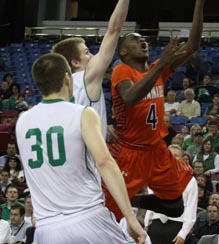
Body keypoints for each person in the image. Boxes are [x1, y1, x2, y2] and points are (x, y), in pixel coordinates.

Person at [104, 0, 219, 221]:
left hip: (156, 149)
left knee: (174, 206)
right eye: (137, 40)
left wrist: (199, 3)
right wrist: (161, 67)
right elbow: (130, 98)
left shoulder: (158, 67)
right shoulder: (122, 70)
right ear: (124, 51)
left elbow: (192, 46)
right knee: (106, 214)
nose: (143, 42)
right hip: (130, 151)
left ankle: (130, 199)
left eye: (145, 39)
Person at [15, 53, 146, 244]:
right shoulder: (82, 113)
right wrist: (131, 219)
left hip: (46, 230)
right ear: (68, 79)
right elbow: (105, 162)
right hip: (88, 218)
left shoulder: (22, 121)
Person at [52, 0, 144, 141]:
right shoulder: (85, 78)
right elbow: (114, 30)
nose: (92, 55)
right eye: (86, 52)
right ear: (75, 62)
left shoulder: (54, 91)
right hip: (88, 163)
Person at [146, 144, 198, 244]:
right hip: (156, 224)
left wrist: (183, 233)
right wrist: (146, 225)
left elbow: (191, 208)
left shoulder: (190, 180)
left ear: (182, 159)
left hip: (177, 225)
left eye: (176, 155)